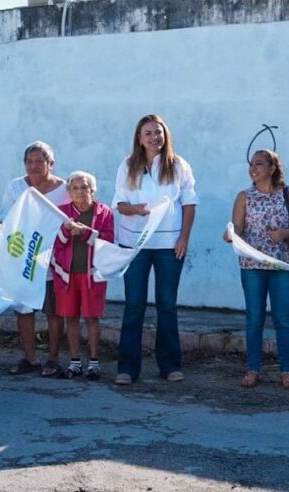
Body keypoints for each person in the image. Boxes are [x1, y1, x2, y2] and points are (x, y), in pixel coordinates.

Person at [113, 114, 198, 385]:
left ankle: (170, 365)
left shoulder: (178, 165)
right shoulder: (128, 165)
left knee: (167, 305)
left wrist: (184, 237)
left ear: (166, 135)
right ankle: (127, 368)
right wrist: (135, 210)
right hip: (135, 244)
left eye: (158, 132)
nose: (154, 137)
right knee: (134, 305)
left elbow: (189, 202)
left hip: (168, 246)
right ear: (139, 138)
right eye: (148, 133)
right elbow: (119, 204)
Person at [223, 149, 289, 389]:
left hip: (281, 265)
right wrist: (230, 235)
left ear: (272, 168)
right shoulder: (243, 197)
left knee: (282, 320)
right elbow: (237, 227)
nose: (253, 168)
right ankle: (253, 368)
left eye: (259, 163)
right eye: (251, 164)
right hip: (251, 266)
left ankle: (287, 371)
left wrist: (284, 234)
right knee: (254, 319)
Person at [1, 141, 71, 377]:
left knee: (54, 311)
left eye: (40, 161)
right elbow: (6, 220)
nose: (34, 166)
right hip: (24, 259)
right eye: (29, 162)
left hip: (54, 260)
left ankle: (52, 359)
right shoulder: (15, 187)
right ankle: (30, 358)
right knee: (24, 310)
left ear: (51, 164)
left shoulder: (64, 188)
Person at [50, 171, 114, 380]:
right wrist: (67, 231)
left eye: (84, 187)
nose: (80, 192)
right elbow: (54, 244)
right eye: (75, 188)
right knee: (71, 318)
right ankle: (75, 361)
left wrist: (84, 232)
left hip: (92, 275)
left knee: (92, 318)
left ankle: (94, 362)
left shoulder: (104, 213)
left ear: (93, 190)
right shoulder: (61, 213)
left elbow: (108, 242)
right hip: (66, 275)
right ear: (68, 191)